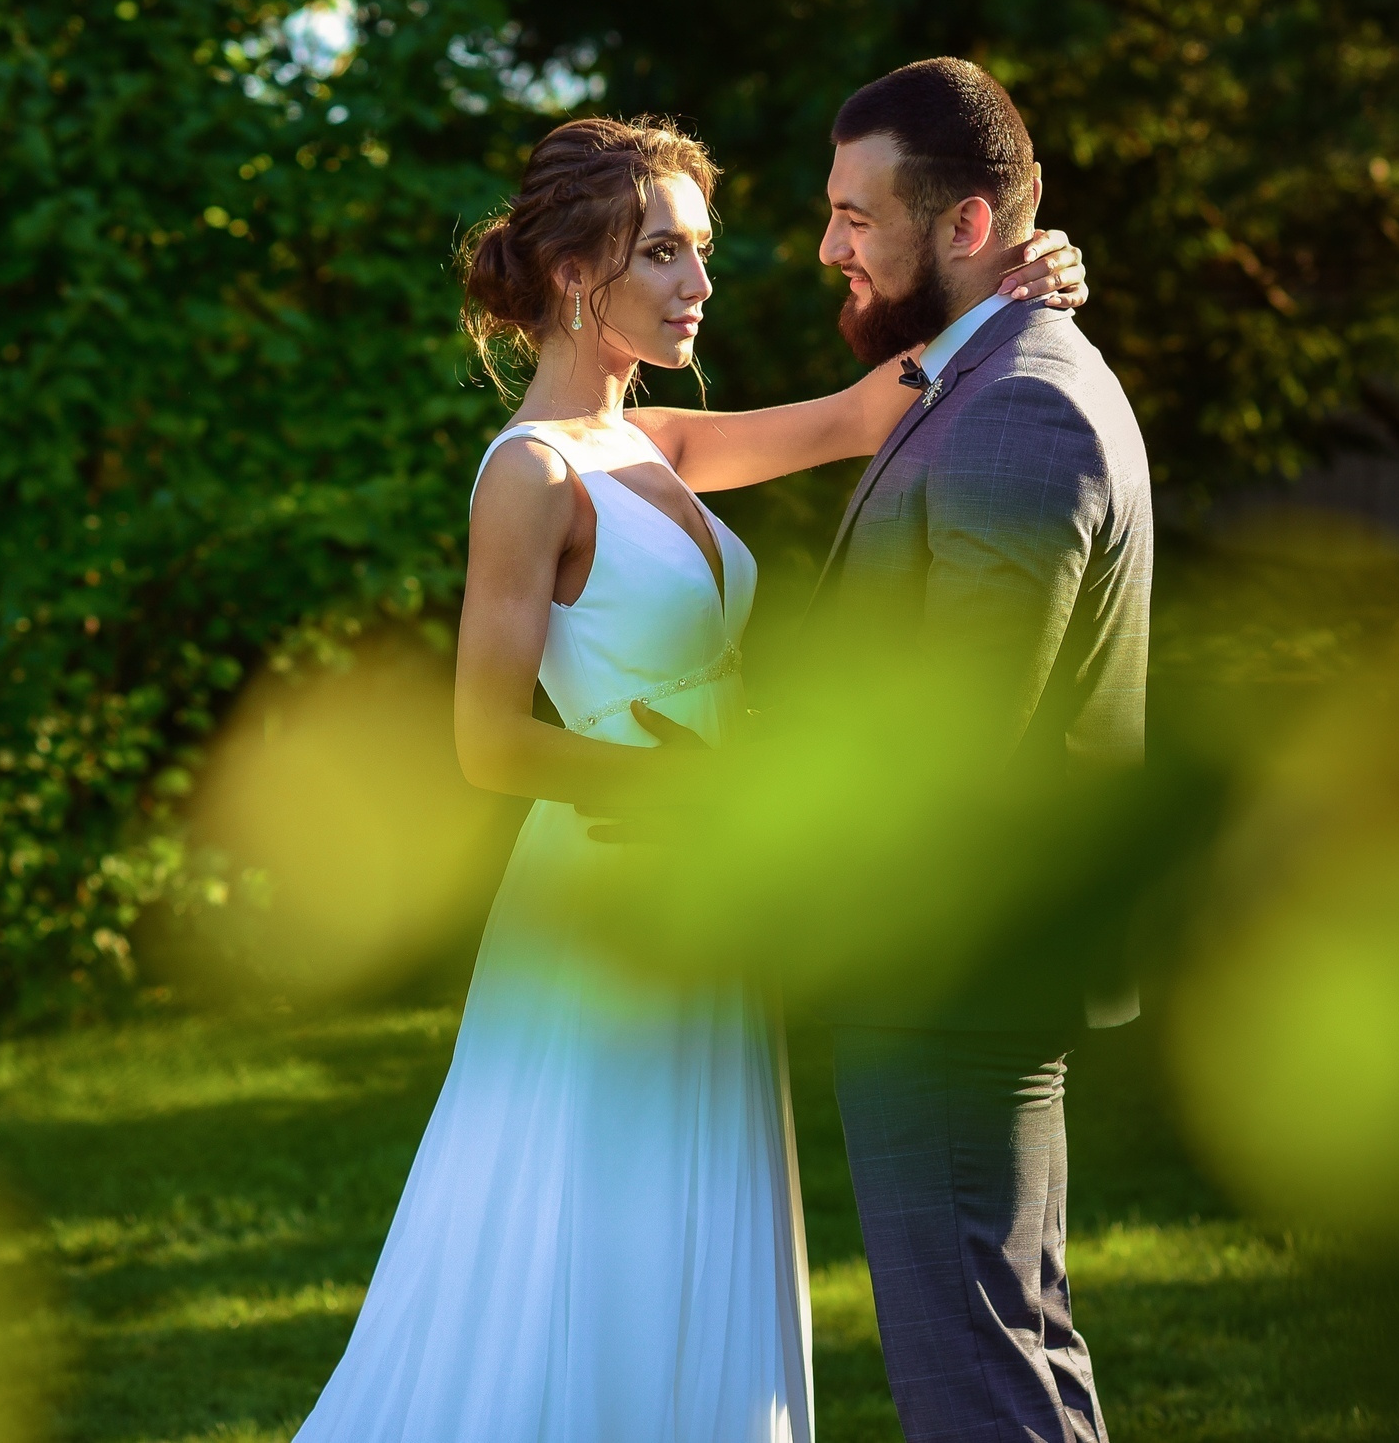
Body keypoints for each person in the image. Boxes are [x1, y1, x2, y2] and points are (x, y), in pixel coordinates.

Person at [289, 113, 1092, 1443]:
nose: (699, 282)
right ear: (573, 274)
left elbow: (868, 411)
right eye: (663, 251)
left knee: (695, 1232)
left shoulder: (653, 443)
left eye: (699, 249)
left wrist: (1020, 277)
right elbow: (488, 743)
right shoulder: (531, 474)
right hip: (603, 912)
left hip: (700, 906)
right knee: (596, 1244)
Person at [798, 57, 1151, 1443]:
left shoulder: (1019, 405)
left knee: (978, 1376)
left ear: (968, 222)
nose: (830, 247)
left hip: (951, 968)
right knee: (1015, 1342)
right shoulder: (986, 372)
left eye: (857, 217)